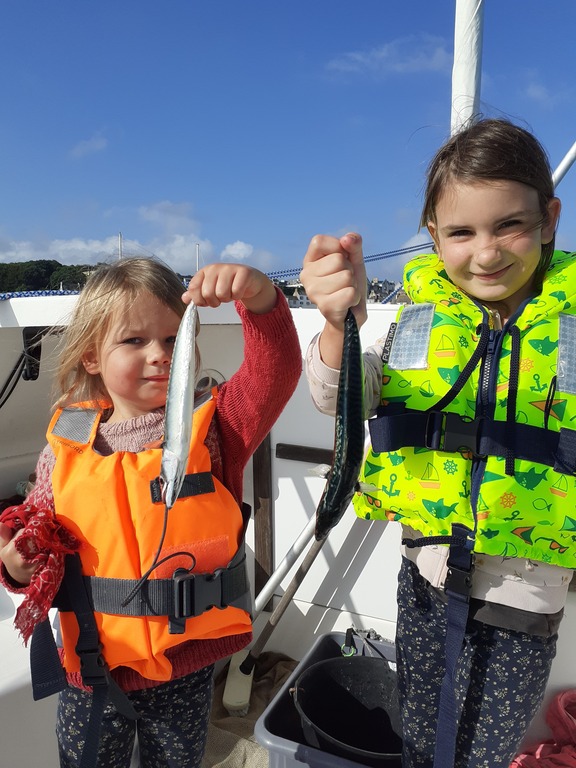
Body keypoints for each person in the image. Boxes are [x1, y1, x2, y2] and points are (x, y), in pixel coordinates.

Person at [300, 118, 575, 768]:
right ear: (433, 237)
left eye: (509, 225)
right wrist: (340, 324)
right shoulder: (417, 319)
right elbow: (346, 394)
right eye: (461, 232)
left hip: (524, 592)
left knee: (485, 752)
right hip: (423, 574)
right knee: (421, 736)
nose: (486, 253)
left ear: (549, 219)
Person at [0, 256, 301, 768]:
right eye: (135, 341)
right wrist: (15, 565)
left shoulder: (216, 428)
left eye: (173, 339)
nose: (160, 355)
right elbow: (39, 536)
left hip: (183, 667)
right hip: (90, 669)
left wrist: (261, 299)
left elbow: (277, 372)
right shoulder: (65, 445)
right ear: (92, 356)